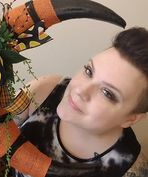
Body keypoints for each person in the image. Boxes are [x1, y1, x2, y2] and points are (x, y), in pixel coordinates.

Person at [11, 27, 148, 177]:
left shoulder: (129, 170)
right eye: (89, 71)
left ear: (131, 118)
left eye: (107, 93)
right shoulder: (44, 91)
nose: (80, 90)